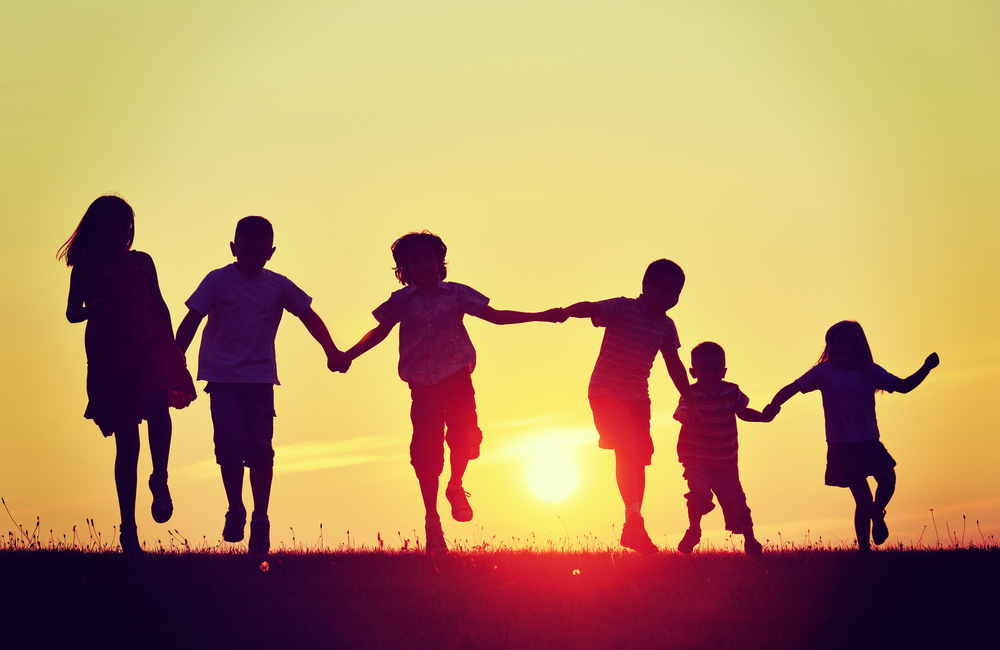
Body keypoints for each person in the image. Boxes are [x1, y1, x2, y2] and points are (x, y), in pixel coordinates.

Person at [345, 231, 566, 555]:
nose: (423, 265)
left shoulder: (457, 294)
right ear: (403, 269)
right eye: (415, 261)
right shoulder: (400, 302)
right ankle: (433, 522)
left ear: (440, 263)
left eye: (428, 259)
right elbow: (379, 332)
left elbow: (496, 316)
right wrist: (347, 354)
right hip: (422, 386)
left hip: (457, 378)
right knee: (426, 454)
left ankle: (456, 484)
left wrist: (540, 316)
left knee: (467, 437)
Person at [175, 216, 350, 556]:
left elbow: (308, 316)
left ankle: (260, 518)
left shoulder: (278, 286)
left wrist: (332, 351)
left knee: (260, 450)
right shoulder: (217, 281)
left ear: (270, 253)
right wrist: (173, 360)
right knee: (229, 443)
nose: (253, 260)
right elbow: (192, 319)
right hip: (223, 379)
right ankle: (235, 508)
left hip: (260, 380)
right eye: (246, 253)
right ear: (233, 249)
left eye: (260, 254)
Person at [60, 195, 196, 557]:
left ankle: (160, 478)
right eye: (113, 225)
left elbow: (160, 303)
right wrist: (90, 309)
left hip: (149, 342)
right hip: (110, 352)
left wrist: (172, 348)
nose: (121, 232)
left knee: (157, 403)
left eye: (126, 225)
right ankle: (129, 530)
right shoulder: (85, 269)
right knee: (127, 444)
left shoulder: (143, 261)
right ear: (96, 229)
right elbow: (72, 313)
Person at [765, 321, 938, 552]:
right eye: (831, 342)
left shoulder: (870, 370)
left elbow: (904, 386)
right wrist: (773, 406)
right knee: (863, 500)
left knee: (888, 478)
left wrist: (926, 368)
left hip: (869, 442)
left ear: (857, 345)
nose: (835, 346)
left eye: (842, 341)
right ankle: (864, 551)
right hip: (842, 448)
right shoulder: (823, 372)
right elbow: (793, 387)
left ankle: (878, 513)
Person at [564, 259, 701, 554]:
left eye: (676, 293)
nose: (669, 297)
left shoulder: (667, 326)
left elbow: (674, 364)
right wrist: (565, 312)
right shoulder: (624, 307)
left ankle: (633, 523)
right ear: (646, 286)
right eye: (664, 289)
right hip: (606, 392)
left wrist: (690, 400)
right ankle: (634, 524)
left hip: (638, 399)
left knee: (638, 459)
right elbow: (593, 308)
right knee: (626, 446)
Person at [673, 342, 774, 555]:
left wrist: (763, 418)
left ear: (724, 370)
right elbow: (680, 413)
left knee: (738, 504)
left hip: (726, 462)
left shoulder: (731, 391)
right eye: (705, 369)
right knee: (699, 492)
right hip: (696, 458)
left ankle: (750, 540)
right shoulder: (691, 394)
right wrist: (689, 418)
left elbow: (743, 411)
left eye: (716, 369)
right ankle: (694, 530)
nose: (711, 374)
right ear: (693, 372)